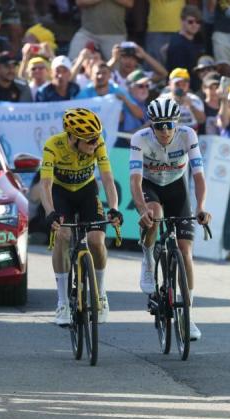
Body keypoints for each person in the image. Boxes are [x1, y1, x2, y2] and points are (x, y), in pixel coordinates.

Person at [129, 97, 211, 340]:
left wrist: (202, 206)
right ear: (151, 125)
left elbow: (198, 176)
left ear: (177, 123)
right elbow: (134, 180)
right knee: (154, 214)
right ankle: (148, 258)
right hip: (150, 185)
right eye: (159, 126)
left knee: (185, 251)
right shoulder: (140, 139)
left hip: (177, 186)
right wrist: (142, 209)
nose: (164, 131)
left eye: (169, 125)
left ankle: (188, 317)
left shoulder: (188, 135)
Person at [39, 108, 122, 325]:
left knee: (96, 240)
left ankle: (101, 293)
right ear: (73, 138)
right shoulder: (53, 146)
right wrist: (50, 212)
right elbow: (45, 185)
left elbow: (107, 177)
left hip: (86, 191)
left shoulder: (98, 143)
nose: (95, 143)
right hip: (61, 194)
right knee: (63, 237)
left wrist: (113, 207)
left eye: (97, 139)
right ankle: (63, 302)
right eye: (90, 140)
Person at [160, 67, 205, 131]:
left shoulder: (195, 99)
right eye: (177, 84)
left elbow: (201, 120)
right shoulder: (162, 100)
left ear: (188, 85)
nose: (181, 87)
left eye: (184, 84)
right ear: (170, 84)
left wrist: (191, 106)